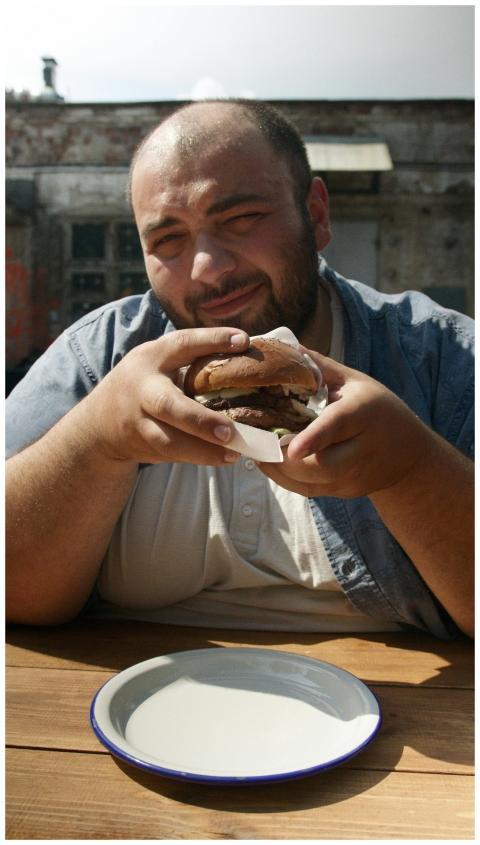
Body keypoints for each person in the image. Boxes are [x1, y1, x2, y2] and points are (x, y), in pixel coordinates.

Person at [6, 99, 474, 638]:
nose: (207, 269)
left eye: (241, 219)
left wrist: (411, 469)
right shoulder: (98, 358)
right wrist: (95, 441)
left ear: (316, 215)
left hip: (397, 710)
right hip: (120, 702)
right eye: (168, 241)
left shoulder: (441, 356)